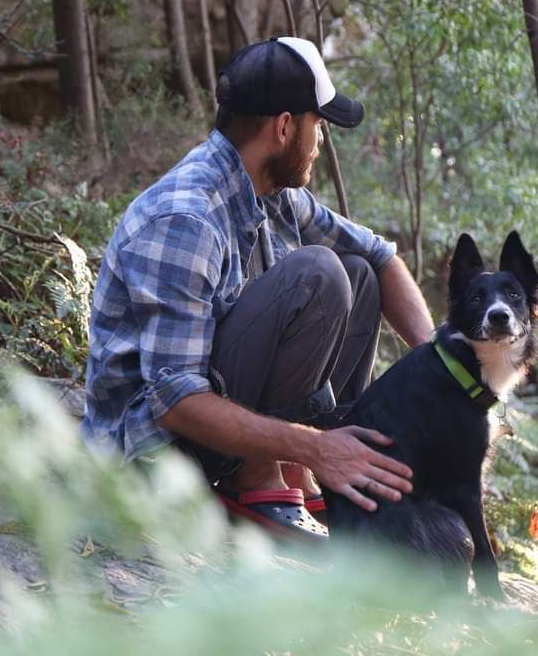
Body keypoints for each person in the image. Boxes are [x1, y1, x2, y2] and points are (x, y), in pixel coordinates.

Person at [81, 37, 435, 540]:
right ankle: (262, 477)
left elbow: (381, 256)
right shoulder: (186, 217)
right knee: (319, 275)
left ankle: (306, 471)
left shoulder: (269, 190)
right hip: (154, 460)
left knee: (356, 272)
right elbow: (175, 401)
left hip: (215, 424)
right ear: (285, 126)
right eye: (319, 126)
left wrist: (442, 363)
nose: (320, 142)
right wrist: (310, 444)